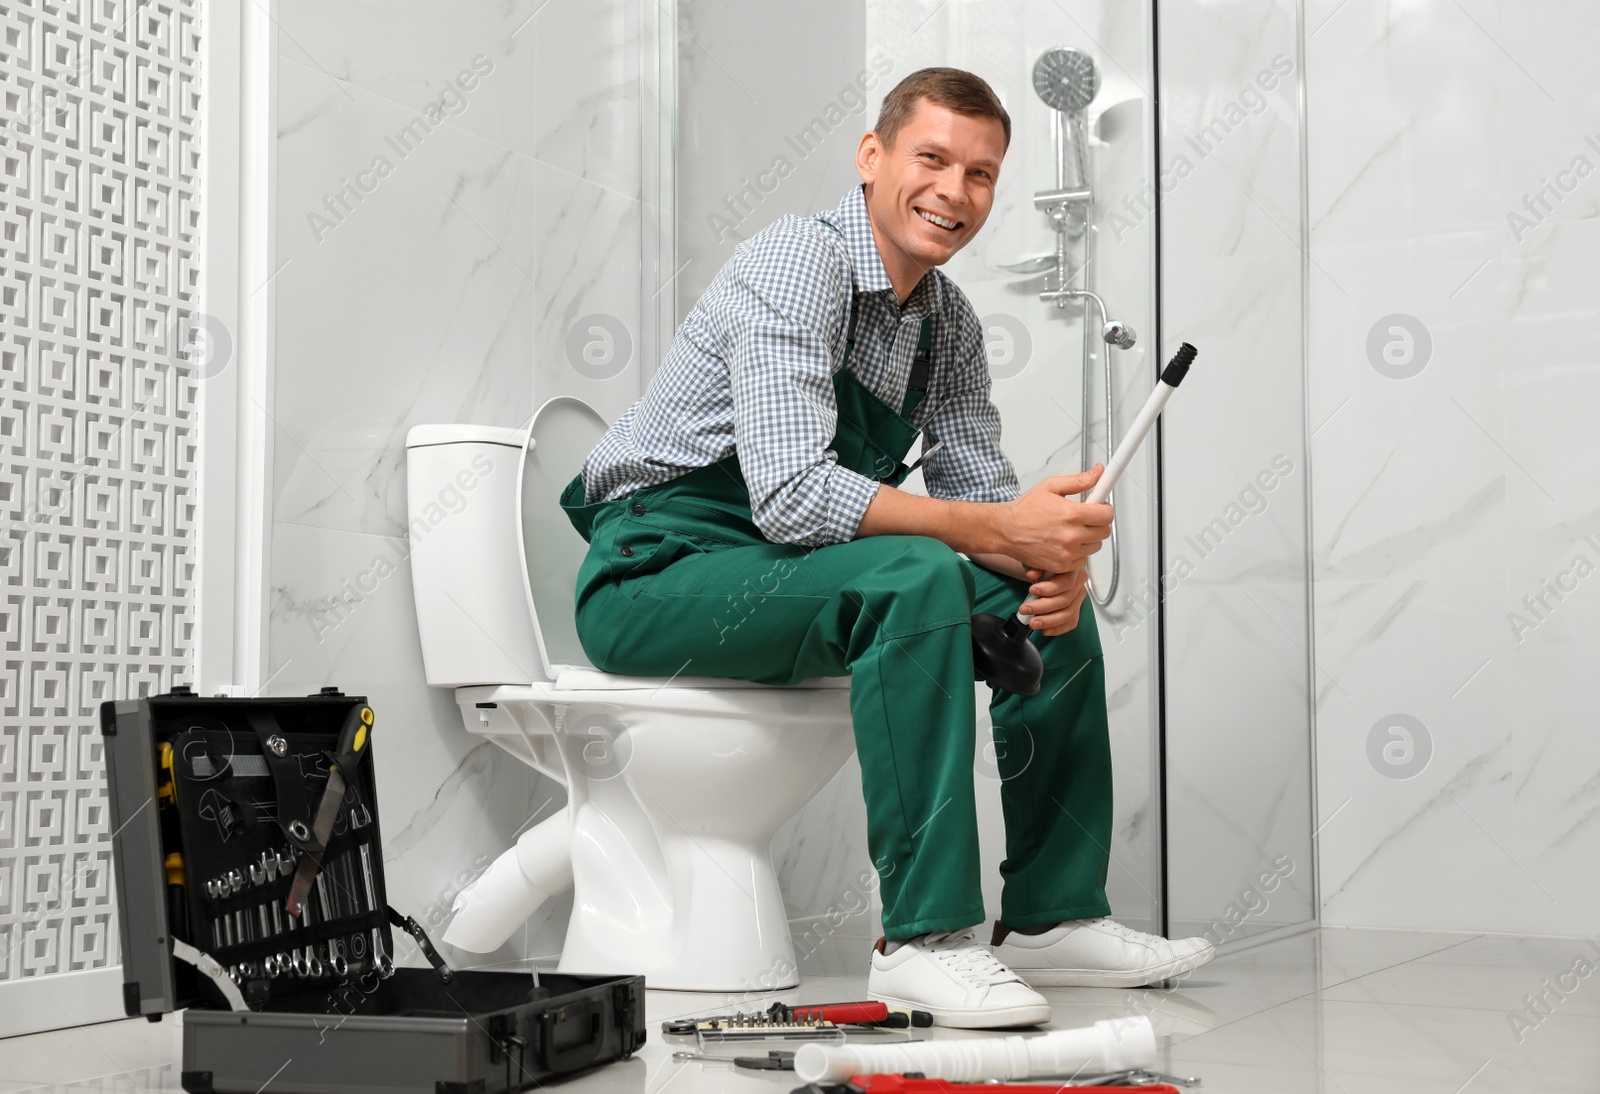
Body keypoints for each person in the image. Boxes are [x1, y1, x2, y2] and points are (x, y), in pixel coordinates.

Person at [558, 67, 1214, 1028]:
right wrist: (995, 531)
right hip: (658, 571)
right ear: (873, 158)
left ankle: (1052, 916)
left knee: (1044, 605)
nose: (955, 191)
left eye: (981, 174)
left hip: (784, 572)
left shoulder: (945, 324)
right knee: (918, 573)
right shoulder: (797, 264)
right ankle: (923, 940)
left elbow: (980, 493)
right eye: (934, 159)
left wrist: (1047, 554)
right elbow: (788, 496)